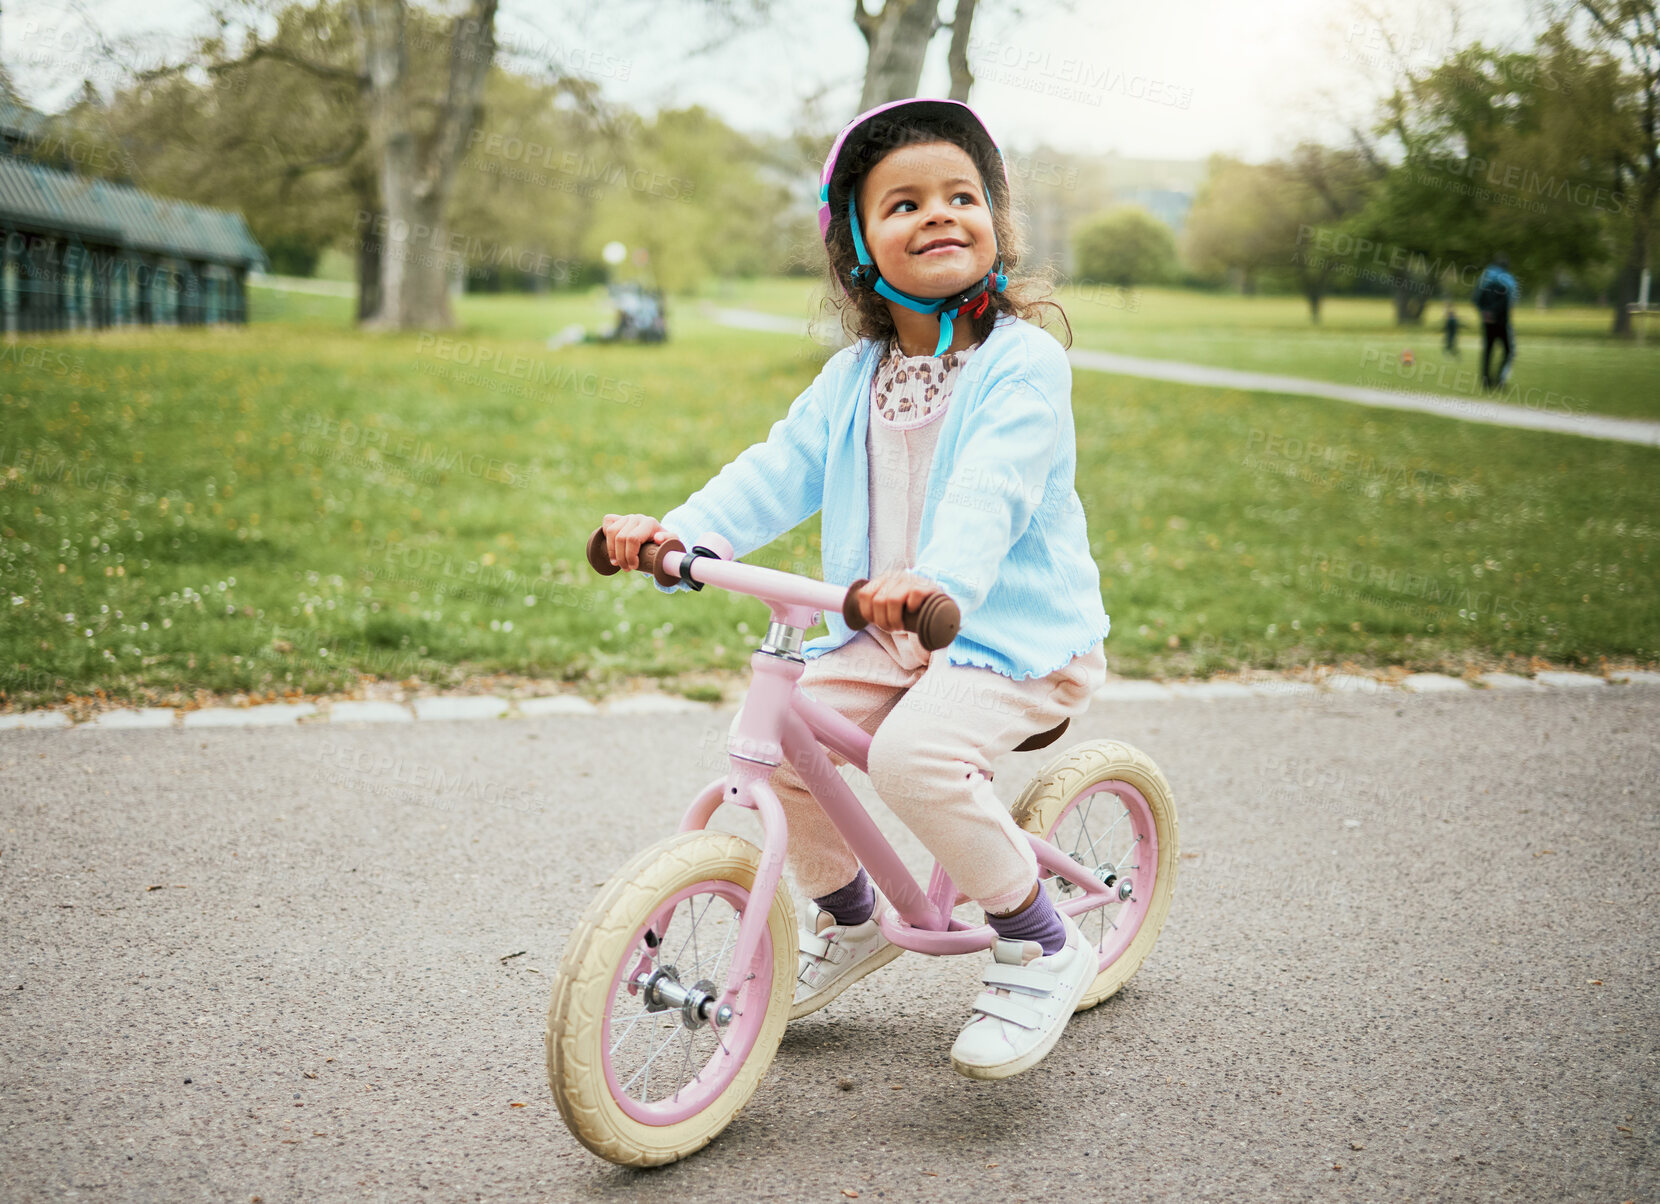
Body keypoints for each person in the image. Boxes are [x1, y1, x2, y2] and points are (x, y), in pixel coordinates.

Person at [598, 98, 1110, 1081]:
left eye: (962, 196)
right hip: (887, 630)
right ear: (860, 252)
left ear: (996, 222)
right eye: (904, 203)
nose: (939, 215)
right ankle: (851, 918)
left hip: (1009, 639)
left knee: (918, 758)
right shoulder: (853, 378)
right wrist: (678, 535)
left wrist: (932, 581)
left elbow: (990, 487)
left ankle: (1041, 938)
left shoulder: (1022, 365)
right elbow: (771, 470)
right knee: (784, 741)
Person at [1473, 253, 1519, 388]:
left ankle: (1486, 381)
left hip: (1486, 322)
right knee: (1509, 350)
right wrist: (1495, 313)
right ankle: (1500, 380)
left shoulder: (1484, 278)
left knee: (1488, 350)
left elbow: (1476, 299)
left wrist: (1485, 313)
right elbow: (1509, 302)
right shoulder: (1508, 280)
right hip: (1502, 322)